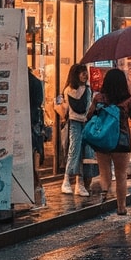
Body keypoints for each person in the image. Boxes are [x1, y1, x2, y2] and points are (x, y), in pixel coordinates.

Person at [94, 69, 131, 216]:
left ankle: (104, 199)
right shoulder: (128, 99)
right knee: (121, 175)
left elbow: (90, 115)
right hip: (122, 140)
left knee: (104, 172)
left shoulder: (99, 98)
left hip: (102, 139)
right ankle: (121, 207)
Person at [59, 65, 93, 196]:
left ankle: (80, 183)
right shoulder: (68, 90)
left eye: (86, 72)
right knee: (74, 151)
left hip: (86, 123)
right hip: (74, 123)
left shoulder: (87, 90)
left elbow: (89, 107)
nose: (85, 75)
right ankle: (67, 180)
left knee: (87, 153)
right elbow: (65, 110)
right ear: (76, 74)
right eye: (82, 73)